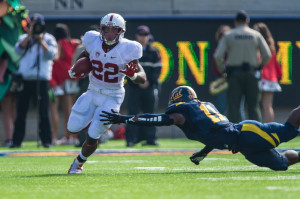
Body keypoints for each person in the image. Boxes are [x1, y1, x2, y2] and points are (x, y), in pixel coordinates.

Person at [101, 86, 300, 171]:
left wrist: (124, 118)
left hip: (247, 134)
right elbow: (214, 133)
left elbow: (156, 119)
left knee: (288, 130)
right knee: (281, 164)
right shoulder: (200, 110)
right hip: (243, 145)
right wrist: (204, 152)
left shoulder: (182, 113)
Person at [67, 13, 146, 174]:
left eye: (113, 30)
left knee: (93, 134)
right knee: (73, 127)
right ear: (100, 29)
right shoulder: (91, 39)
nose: (109, 34)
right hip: (92, 90)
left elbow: (142, 78)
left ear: (121, 31)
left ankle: (79, 162)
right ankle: (95, 120)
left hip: (112, 95)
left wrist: (133, 75)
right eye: (106, 29)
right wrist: (76, 68)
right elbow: (86, 56)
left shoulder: (129, 48)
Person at [214, 10, 271, 123]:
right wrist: (259, 67)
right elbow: (267, 55)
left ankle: (233, 136)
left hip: (234, 74)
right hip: (252, 73)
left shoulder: (229, 35)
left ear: (235, 22)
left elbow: (218, 56)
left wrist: (223, 70)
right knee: (253, 107)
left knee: (233, 107)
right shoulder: (256, 35)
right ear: (247, 21)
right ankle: (256, 135)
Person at [10, 13, 57, 148]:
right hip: (25, 79)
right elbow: (17, 51)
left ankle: (46, 140)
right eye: (33, 24)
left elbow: (51, 55)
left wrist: (41, 40)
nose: (34, 26)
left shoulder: (48, 39)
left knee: (43, 111)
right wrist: (30, 35)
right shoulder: (24, 37)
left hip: (41, 80)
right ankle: (16, 141)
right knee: (21, 111)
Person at [125, 25, 162, 147]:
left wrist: (148, 81)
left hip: (149, 87)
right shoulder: (131, 52)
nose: (143, 37)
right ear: (136, 36)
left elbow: (157, 70)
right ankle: (131, 139)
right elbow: (126, 69)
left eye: (145, 35)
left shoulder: (154, 52)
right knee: (133, 113)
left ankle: (151, 139)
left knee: (150, 113)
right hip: (134, 86)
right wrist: (137, 80)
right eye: (141, 35)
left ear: (148, 36)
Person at [0, 0, 28, 146]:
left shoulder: (18, 21)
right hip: (5, 75)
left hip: (17, 73)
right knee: (7, 106)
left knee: (15, 106)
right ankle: (11, 138)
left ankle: (16, 138)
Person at [49, 23, 80, 145]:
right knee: (70, 109)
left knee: (55, 108)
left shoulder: (58, 43)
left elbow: (55, 57)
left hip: (57, 78)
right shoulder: (73, 42)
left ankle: (54, 137)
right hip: (71, 77)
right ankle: (71, 137)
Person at [253, 23, 282, 123]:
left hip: (259, 78)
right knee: (268, 106)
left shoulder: (257, 47)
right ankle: (269, 129)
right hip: (271, 80)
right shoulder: (271, 48)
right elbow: (277, 66)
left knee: (254, 105)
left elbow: (257, 62)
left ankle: (257, 129)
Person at [211, 25, 231, 114]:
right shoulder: (218, 51)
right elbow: (216, 67)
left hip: (233, 79)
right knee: (221, 107)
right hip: (221, 80)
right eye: (221, 36)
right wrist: (223, 72)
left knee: (236, 107)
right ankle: (221, 126)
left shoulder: (233, 49)